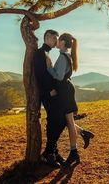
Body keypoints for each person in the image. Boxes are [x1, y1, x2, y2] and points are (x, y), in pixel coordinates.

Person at [46, 32, 95, 166]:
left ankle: (74, 152)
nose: (56, 41)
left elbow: (59, 76)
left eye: (58, 39)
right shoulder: (66, 55)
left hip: (65, 92)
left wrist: (49, 67)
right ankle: (83, 134)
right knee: (68, 120)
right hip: (66, 91)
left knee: (68, 120)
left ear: (62, 42)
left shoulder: (63, 57)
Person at [33, 29, 67, 167]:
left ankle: (52, 151)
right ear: (47, 38)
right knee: (56, 121)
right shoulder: (40, 53)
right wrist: (49, 92)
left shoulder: (46, 53)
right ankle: (49, 153)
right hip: (48, 94)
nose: (56, 42)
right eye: (55, 39)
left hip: (52, 93)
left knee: (57, 121)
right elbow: (40, 75)